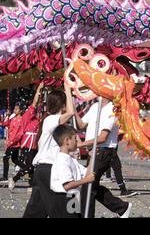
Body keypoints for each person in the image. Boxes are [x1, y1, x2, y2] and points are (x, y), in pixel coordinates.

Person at [23, 82, 75, 218]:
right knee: (63, 208)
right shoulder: (51, 120)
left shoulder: (51, 122)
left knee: (35, 211)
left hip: (44, 170)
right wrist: (68, 90)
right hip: (50, 170)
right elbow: (71, 113)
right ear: (62, 105)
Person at [75, 98, 134, 218]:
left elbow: (103, 138)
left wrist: (81, 144)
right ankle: (122, 207)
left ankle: (86, 216)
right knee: (92, 186)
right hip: (93, 151)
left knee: (88, 186)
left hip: (104, 151)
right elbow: (81, 124)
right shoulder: (95, 106)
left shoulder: (113, 108)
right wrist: (72, 106)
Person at [50, 125, 95, 218]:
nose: (77, 142)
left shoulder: (71, 159)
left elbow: (87, 174)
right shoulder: (62, 160)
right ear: (67, 141)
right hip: (64, 198)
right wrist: (86, 180)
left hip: (73, 196)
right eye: (75, 138)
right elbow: (67, 185)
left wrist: (92, 157)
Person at [9, 83, 44, 190]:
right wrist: (39, 89)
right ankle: (14, 179)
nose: (36, 110)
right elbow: (34, 103)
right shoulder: (26, 117)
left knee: (33, 165)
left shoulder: (37, 120)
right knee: (29, 166)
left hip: (35, 146)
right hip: (27, 145)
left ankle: (33, 184)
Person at [1, 104, 24, 187]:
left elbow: (19, 133)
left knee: (5, 158)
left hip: (14, 144)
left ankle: (4, 176)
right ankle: (28, 168)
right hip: (11, 143)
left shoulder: (21, 120)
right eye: (14, 109)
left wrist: (12, 141)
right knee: (15, 160)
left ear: (21, 111)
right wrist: (7, 115)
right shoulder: (13, 118)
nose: (15, 110)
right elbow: (4, 124)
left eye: (17, 109)